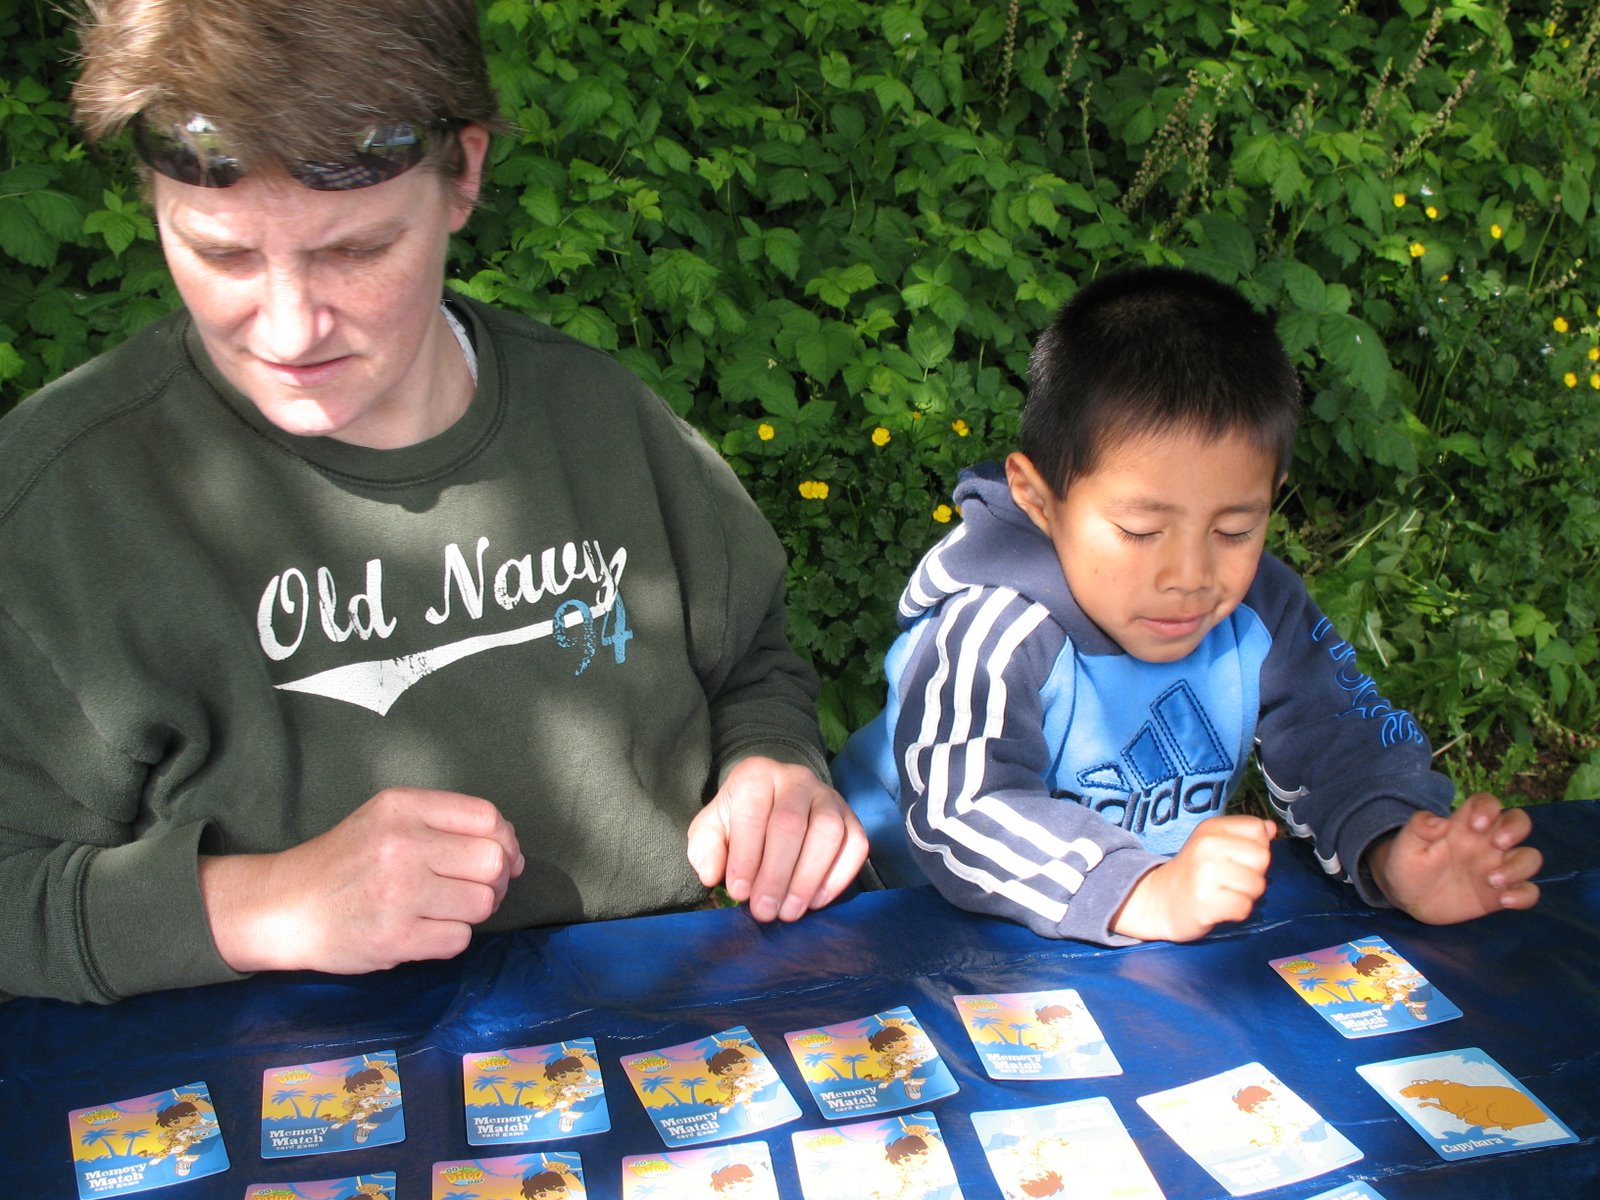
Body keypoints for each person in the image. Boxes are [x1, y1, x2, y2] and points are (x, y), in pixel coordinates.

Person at [0, 0, 865, 1004]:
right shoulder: (60, 504)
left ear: (464, 172)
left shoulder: (601, 418)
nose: (288, 329)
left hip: (658, 1029)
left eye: (356, 250)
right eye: (222, 254)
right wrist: (264, 903)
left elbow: (749, 662)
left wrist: (772, 767)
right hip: (282, 1075)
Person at [832, 265, 1541, 945]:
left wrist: (1393, 845)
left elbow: (1342, 735)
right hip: (903, 925)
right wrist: (1139, 891)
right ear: (1038, 498)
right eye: (1142, 531)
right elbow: (964, 810)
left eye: (1234, 530)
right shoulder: (992, 628)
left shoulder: (1262, 610)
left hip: (1127, 927)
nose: (1191, 577)